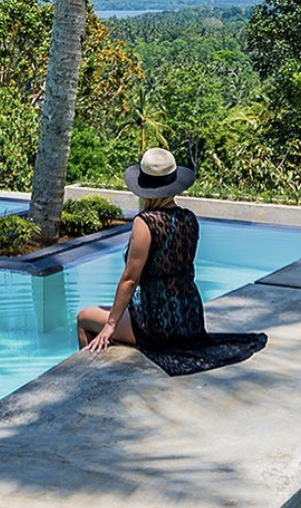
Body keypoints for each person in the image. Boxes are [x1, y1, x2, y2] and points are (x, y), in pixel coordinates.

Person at [76, 147, 268, 377]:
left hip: (157, 326)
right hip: (190, 320)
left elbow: (130, 280)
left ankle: (86, 377)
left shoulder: (145, 223)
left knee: (84, 317)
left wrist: (110, 325)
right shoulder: (189, 218)